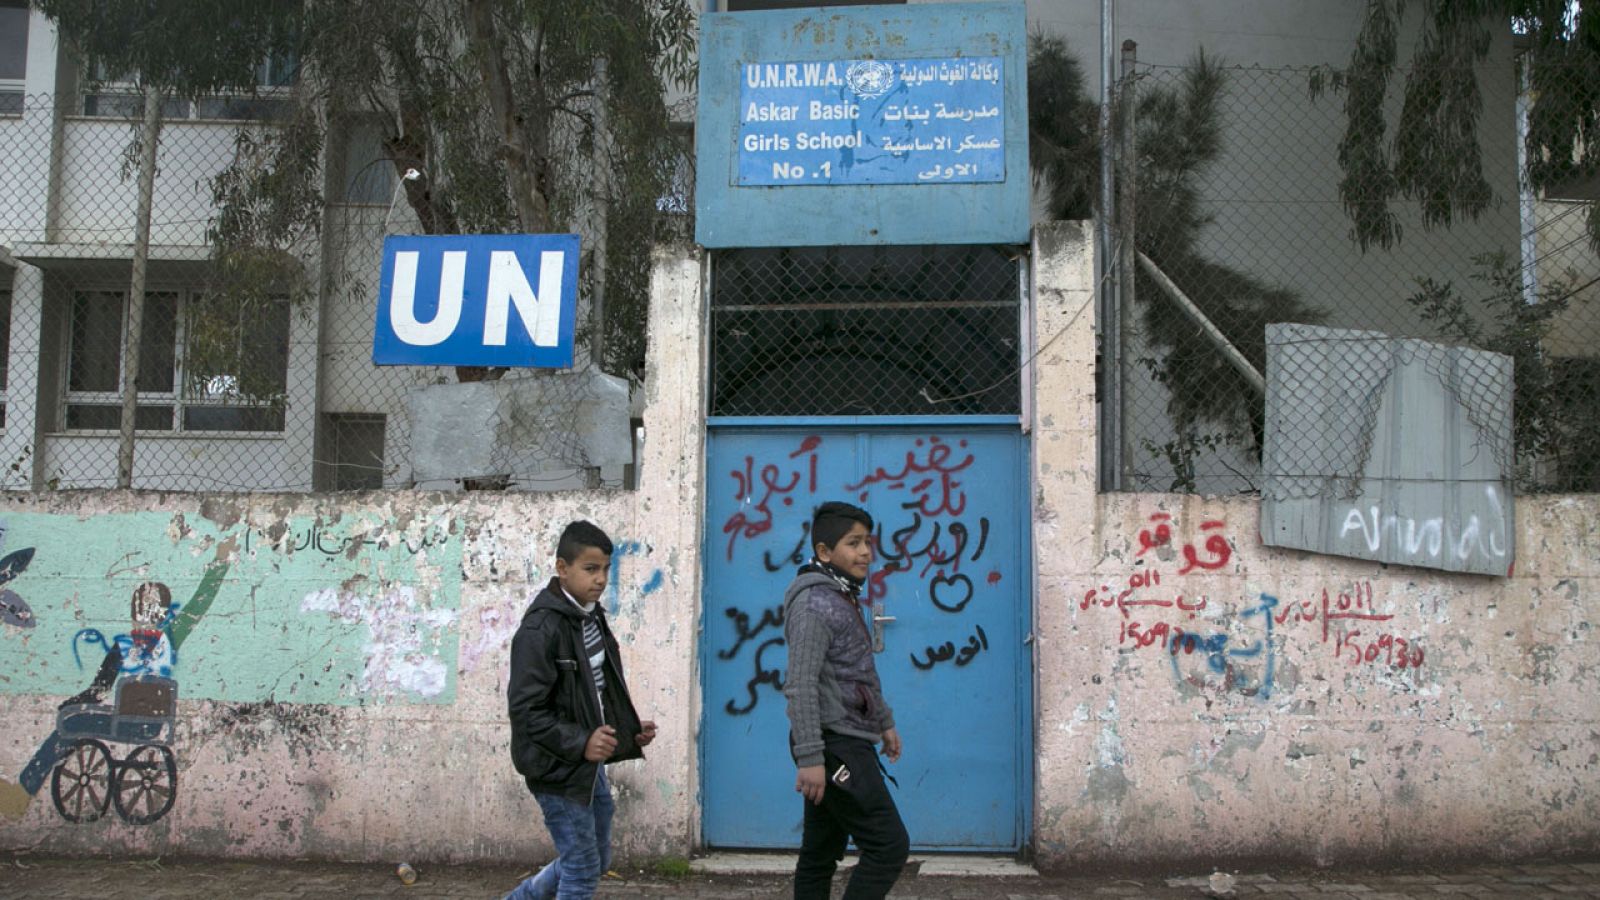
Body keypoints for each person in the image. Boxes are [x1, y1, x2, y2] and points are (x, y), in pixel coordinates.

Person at [506, 521, 657, 900]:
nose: (602, 579)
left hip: (587, 768)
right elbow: (525, 711)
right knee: (582, 868)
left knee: (593, 858)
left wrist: (626, 729)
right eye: (591, 569)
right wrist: (581, 742)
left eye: (606, 568)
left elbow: (594, 690)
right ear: (562, 568)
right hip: (556, 767)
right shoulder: (541, 628)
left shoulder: (590, 616)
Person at [783, 501, 909, 900]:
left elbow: (858, 671)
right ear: (824, 552)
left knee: (819, 854)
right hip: (833, 746)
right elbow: (800, 684)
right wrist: (810, 758)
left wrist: (884, 722)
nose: (865, 552)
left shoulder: (841, 596)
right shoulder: (814, 603)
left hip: (844, 739)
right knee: (889, 846)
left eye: (867, 542)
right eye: (853, 543)